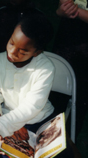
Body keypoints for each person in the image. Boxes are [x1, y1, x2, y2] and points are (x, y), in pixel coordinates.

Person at [0, 14, 79, 158]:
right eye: (11, 42)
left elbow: (32, 106)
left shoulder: (45, 67)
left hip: (42, 121)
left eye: (22, 52)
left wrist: (2, 125)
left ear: (37, 52)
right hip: (5, 117)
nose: (12, 52)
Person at [54, 0, 88, 134]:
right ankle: (48, 138)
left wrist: (76, 11)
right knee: (56, 89)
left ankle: (68, 140)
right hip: (67, 38)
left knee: (80, 95)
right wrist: (61, 9)